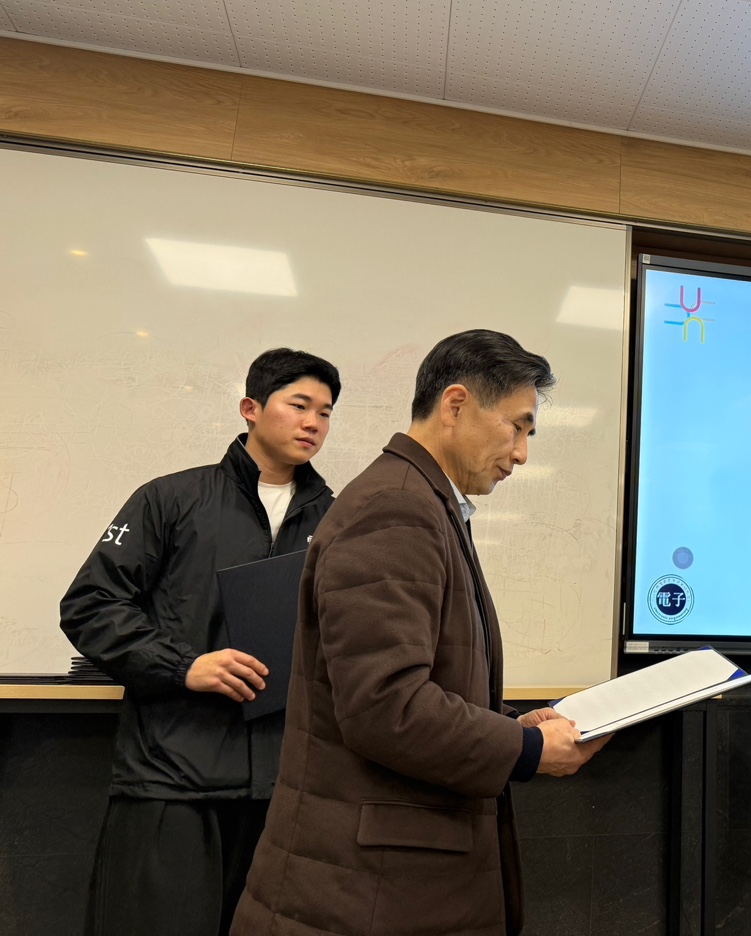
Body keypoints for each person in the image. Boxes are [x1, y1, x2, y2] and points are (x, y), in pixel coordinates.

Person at [233, 329, 607, 936]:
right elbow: (385, 706)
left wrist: (513, 726)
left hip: (385, 878)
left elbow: (418, 679)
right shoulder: (397, 507)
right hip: (370, 888)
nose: (521, 454)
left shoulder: (423, 501)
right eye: (517, 427)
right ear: (455, 405)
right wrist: (529, 751)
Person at [59, 348, 342, 936]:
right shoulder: (171, 499)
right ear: (250, 408)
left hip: (285, 790)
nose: (313, 422)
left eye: (325, 412)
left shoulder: (339, 519)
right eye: (299, 405)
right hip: (172, 780)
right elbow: (89, 605)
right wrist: (183, 665)